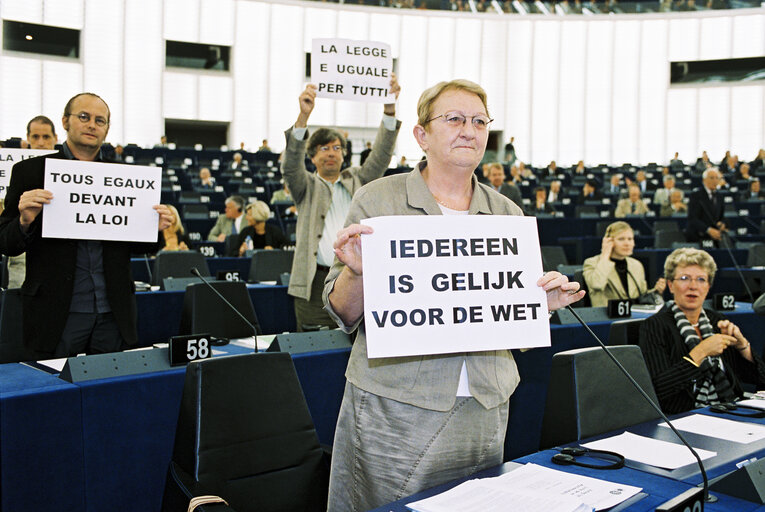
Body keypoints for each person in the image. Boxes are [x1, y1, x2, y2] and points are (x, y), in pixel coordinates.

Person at [322, 79, 585, 511]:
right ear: (422, 134)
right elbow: (342, 313)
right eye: (455, 119)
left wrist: (541, 304)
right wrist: (359, 272)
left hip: (485, 404)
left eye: (480, 121)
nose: (470, 129)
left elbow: (506, 317)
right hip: (396, 406)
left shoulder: (507, 213)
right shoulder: (379, 199)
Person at [0, 92, 173, 357]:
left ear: (106, 129)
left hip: (113, 313)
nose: (92, 124)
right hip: (55, 313)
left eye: (100, 120)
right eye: (84, 117)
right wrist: (24, 222)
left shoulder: (126, 178)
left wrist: (155, 227)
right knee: (55, 395)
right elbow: (6, 242)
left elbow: (138, 246)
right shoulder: (30, 172)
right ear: (65, 122)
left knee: (108, 394)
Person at [282, 74, 401, 331]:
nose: (331, 153)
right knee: (313, 352)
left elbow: (381, 155)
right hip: (313, 283)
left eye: (336, 148)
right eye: (324, 148)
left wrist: (389, 110)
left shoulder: (359, 178)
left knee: (353, 348)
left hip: (356, 277)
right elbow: (290, 165)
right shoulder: (305, 187)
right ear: (312, 157)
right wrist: (303, 117)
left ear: (344, 154)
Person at [638, 248, 765, 414]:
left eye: (701, 279)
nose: (693, 286)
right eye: (684, 279)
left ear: (708, 286)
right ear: (670, 285)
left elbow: (759, 379)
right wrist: (701, 352)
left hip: (729, 408)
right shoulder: (655, 326)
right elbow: (658, 390)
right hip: (683, 416)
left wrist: (743, 346)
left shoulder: (717, 320)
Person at [6, 116, 60, 289]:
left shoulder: (68, 167)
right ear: (28, 139)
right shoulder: (20, 170)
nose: (41, 142)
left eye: (46, 137)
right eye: (35, 137)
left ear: (56, 138)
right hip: (23, 247)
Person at [583, 221, 665, 307]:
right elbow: (597, 284)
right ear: (608, 242)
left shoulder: (636, 265)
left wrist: (656, 290)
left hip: (635, 315)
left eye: (630, 239)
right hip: (607, 316)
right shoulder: (592, 263)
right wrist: (605, 254)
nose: (627, 243)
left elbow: (641, 295)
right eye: (621, 239)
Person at [685, 167, 726, 245]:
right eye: (712, 178)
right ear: (704, 180)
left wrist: (722, 223)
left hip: (715, 237)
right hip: (698, 236)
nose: (715, 180)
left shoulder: (720, 196)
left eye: (717, 178)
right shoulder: (696, 195)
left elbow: (721, 216)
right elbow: (692, 218)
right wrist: (708, 230)